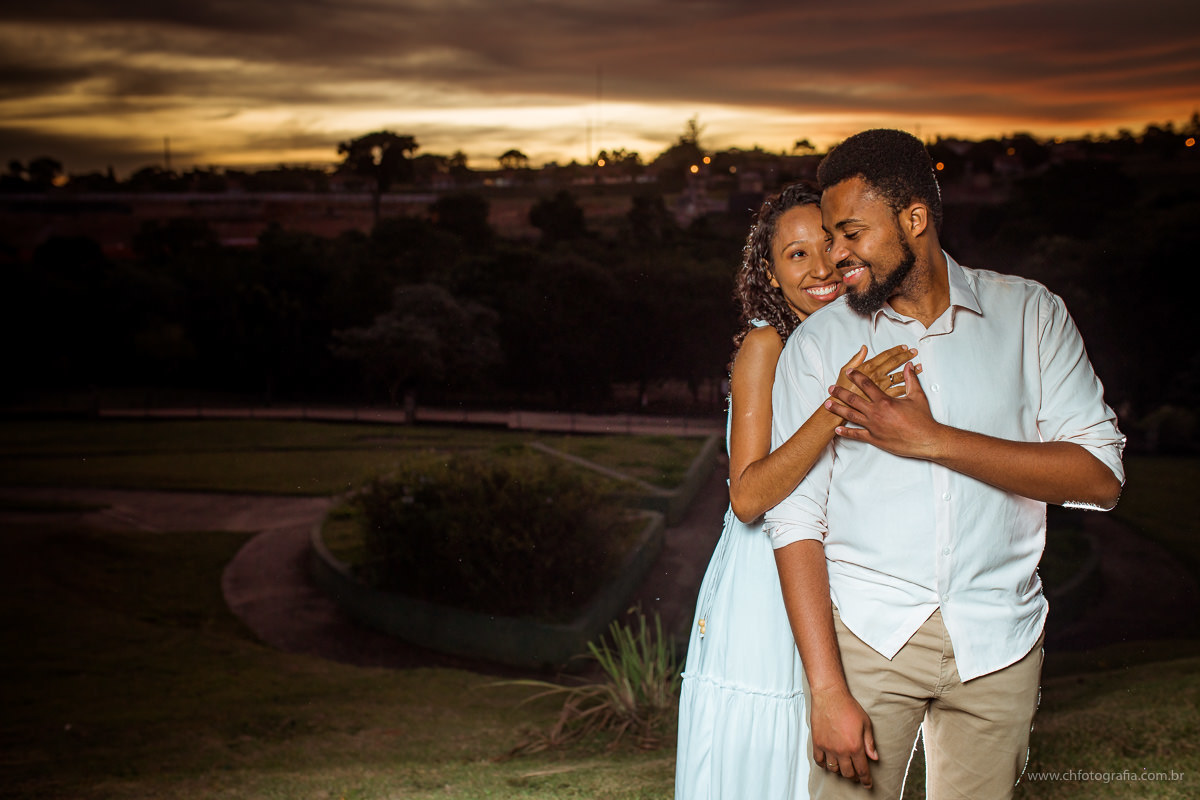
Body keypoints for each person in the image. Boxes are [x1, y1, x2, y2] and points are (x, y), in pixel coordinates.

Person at [766, 129, 1126, 799]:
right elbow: (794, 524)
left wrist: (933, 439)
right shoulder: (819, 346)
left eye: (850, 233)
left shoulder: (1031, 316)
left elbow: (1099, 479)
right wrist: (826, 690)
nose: (833, 256)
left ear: (914, 219)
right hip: (866, 640)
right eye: (827, 235)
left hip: (1000, 643)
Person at [675, 181, 918, 800]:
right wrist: (838, 405)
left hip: (838, 569)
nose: (819, 269)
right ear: (769, 270)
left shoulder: (858, 340)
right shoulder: (767, 346)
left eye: (829, 245)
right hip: (764, 583)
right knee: (773, 746)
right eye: (795, 254)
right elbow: (748, 497)